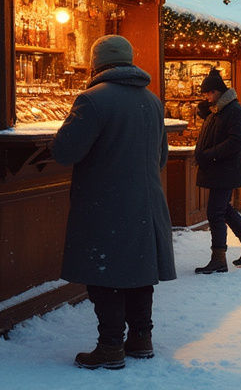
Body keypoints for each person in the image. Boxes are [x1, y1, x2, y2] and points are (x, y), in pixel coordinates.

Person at [51, 35, 176, 370]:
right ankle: (140, 338)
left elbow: (65, 151)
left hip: (105, 202)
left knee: (104, 271)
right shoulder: (152, 101)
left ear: (97, 64)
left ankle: (109, 346)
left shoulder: (92, 100)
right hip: (147, 201)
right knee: (138, 270)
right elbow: (161, 156)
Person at [193, 67, 241, 274]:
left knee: (215, 212)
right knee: (224, 209)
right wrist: (205, 112)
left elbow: (235, 141)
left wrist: (209, 154)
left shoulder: (233, 110)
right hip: (219, 169)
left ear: (219, 92)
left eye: (209, 93)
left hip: (225, 170)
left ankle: (219, 257)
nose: (207, 97)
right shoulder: (217, 110)